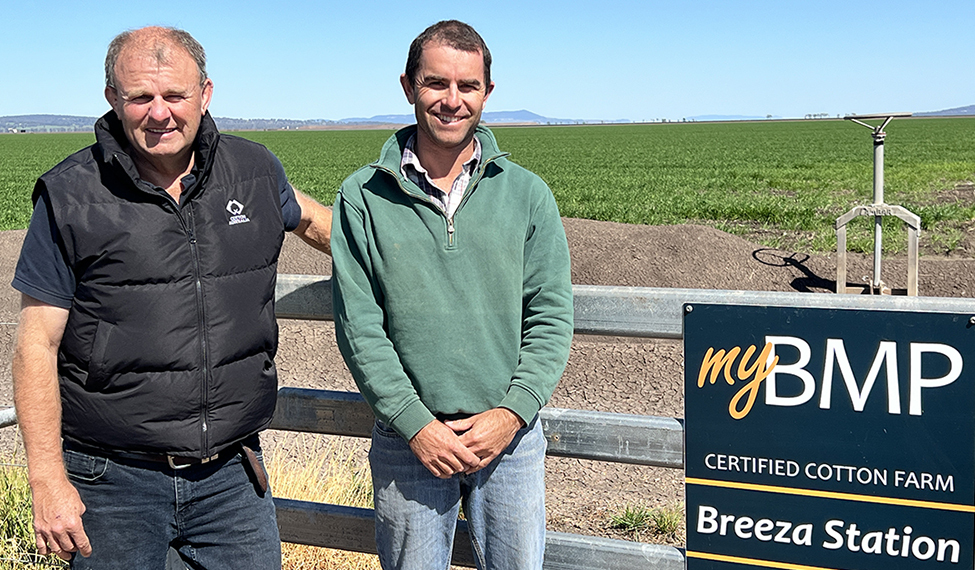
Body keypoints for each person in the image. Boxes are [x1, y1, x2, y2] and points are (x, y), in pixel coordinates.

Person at [11, 26, 331, 569]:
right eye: (140, 97)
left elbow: (324, 226)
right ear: (113, 98)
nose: (159, 113)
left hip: (232, 479)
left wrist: (418, 265)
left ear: (205, 94)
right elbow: (35, 345)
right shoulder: (71, 194)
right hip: (111, 482)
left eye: (175, 95)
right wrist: (47, 481)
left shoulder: (252, 171)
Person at [331, 20, 573, 570]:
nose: (452, 101)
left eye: (468, 86)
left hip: (509, 438)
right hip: (409, 439)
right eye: (436, 83)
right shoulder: (362, 196)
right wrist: (414, 423)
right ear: (408, 85)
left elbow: (551, 315)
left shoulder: (527, 194)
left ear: (488, 92)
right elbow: (359, 326)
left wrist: (513, 413)